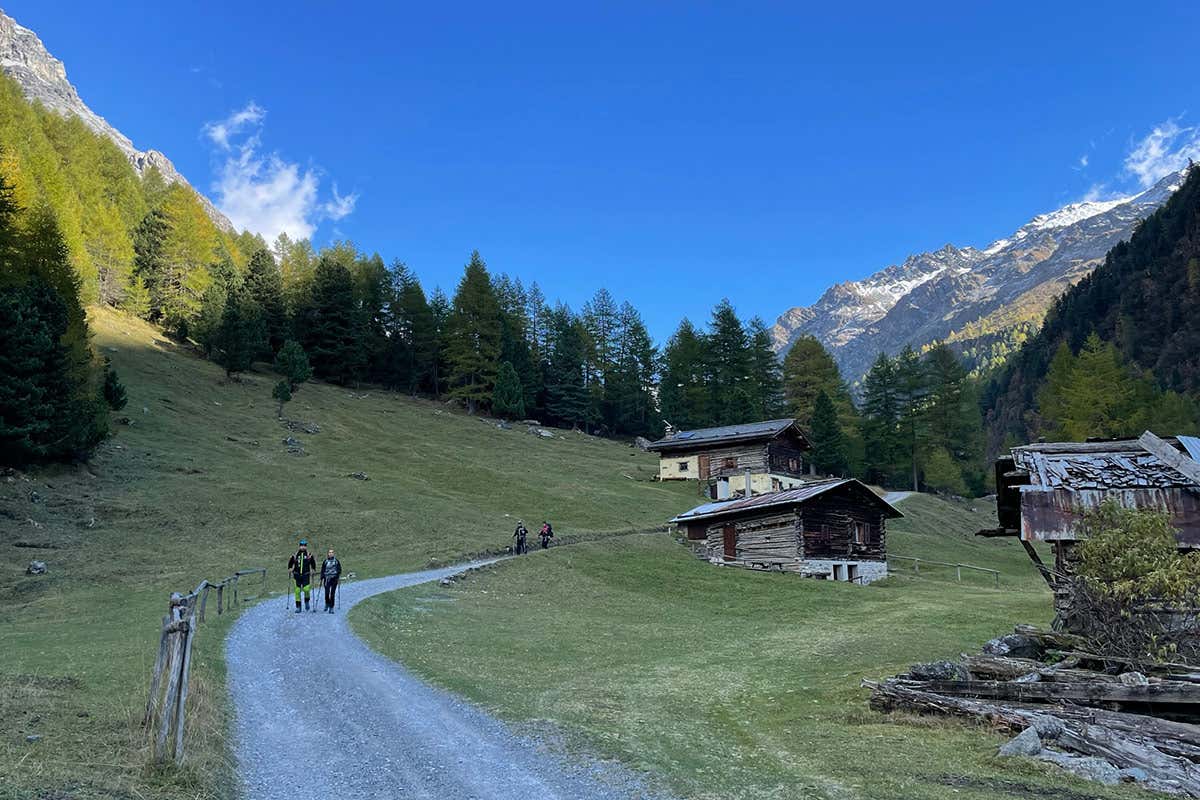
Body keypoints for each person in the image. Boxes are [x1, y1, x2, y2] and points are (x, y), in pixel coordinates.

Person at [287, 539, 317, 613]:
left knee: (306, 589)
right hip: (297, 575)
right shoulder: (295, 555)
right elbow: (290, 563)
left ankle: (307, 601)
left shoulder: (309, 555)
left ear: (306, 546)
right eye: (301, 545)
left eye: (304, 546)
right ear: (299, 546)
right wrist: (290, 568)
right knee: (297, 591)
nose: (303, 547)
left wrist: (313, 569)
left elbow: (313, 563)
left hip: (306, 575)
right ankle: (298, 607)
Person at [321, 548, 342, 613]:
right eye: (329, 552)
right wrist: (322, 576)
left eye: (332, 552)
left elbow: (339, 569)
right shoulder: (325, 561)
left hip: (334, 579)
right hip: (327, 579)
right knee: (327, 593)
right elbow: (323, 569)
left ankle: (331, 607)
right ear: (328, 554)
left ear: (333, 554)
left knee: (332, 593)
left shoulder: (336, 561)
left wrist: (337, 575)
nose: (331, 553)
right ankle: (327, 603)